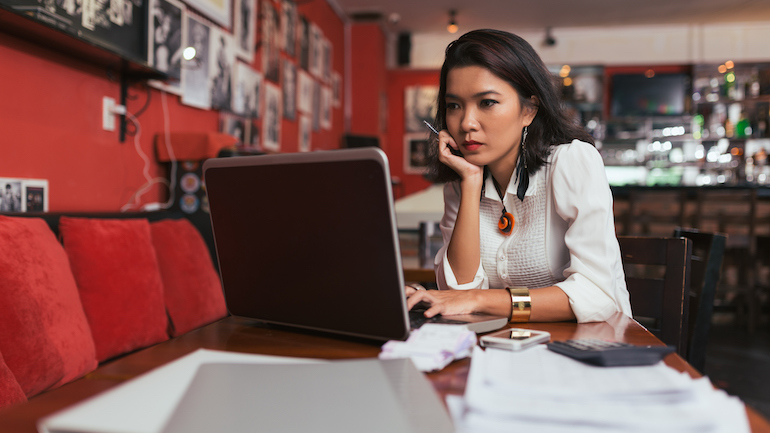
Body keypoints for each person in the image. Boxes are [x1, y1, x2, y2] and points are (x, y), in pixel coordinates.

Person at [406, 29, 632, 324]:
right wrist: (471, 183)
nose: (466, 123)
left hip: (592, 349)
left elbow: (597, 296)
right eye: (454, 106)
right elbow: (458, 292)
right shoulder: (461, 183)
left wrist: (480, 300)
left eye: (486, 102)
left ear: (529, 110)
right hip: (509, 348)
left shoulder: (571, 161)